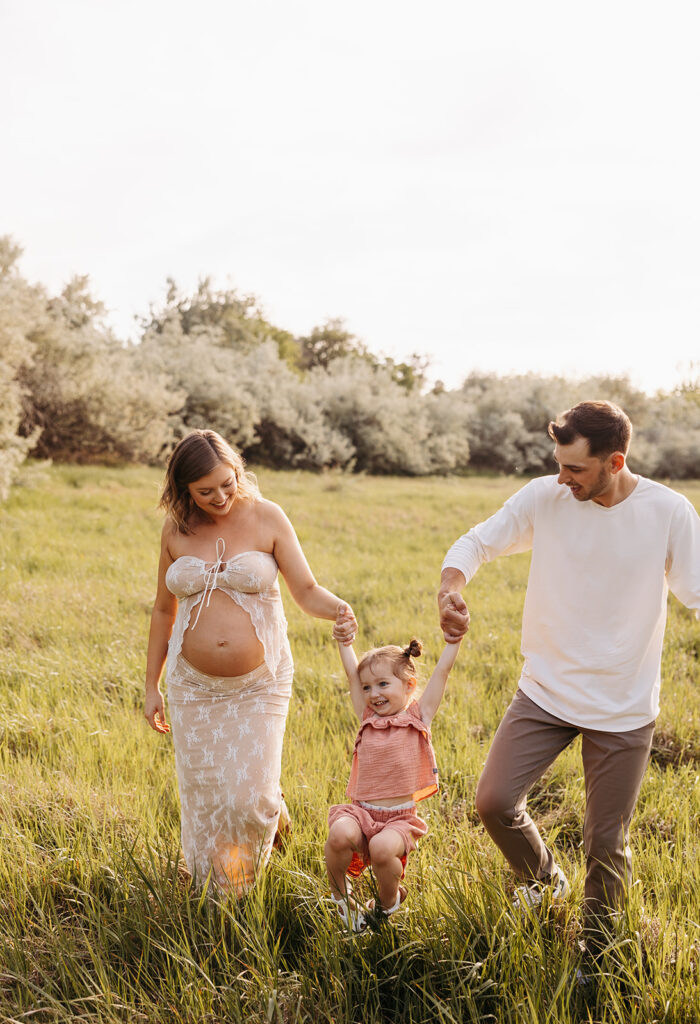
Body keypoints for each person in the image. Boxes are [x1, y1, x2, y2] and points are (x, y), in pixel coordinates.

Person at [438, 400, 700, 950]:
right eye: (559, 464)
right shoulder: (546, 496)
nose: (563, 478)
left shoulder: (668, 512)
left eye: (575, 468)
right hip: (546, 690)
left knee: (605, 844)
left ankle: (597, 953)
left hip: (623, 706)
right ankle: (544, 884)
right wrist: (451, 587)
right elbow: (478, 541)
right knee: (493, 802)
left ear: (615, 460)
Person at [144, 429, 357, 896]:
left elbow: (305, 591)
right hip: (192, 687)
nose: (220, 496)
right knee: (206, 797)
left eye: (228, 482)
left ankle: (268, 815)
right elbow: (164, 609)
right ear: (183, 490)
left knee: (249, 800)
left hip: (259, 683)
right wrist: (151, 685)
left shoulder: (266, 517)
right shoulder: (176, 528)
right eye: (205, 491)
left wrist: (341, 609)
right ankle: (220, 894)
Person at [325, 604, 461, 931]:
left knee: (383, 849)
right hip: (361, 811)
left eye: (383, 684)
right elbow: (351, 677)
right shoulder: (367, 718)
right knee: (339, 834)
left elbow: (441, 674)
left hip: (399, 818)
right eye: (368, 687)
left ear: (409, 685)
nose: (374, 694)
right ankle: (342, 900)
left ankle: (387, 904)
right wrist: (345, 644)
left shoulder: (418, 717)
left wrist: (452, 643)